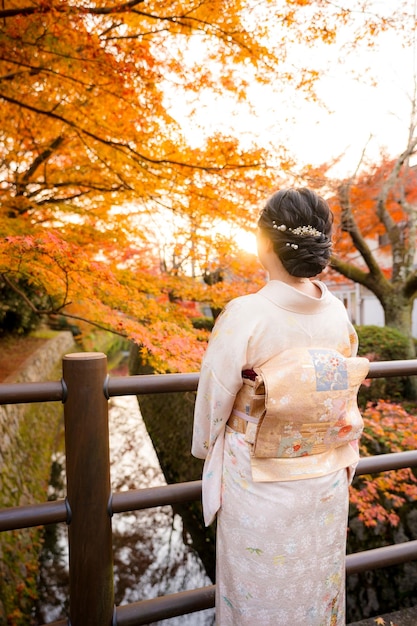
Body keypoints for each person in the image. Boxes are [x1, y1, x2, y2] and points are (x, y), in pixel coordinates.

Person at [191, 188, 369, 625]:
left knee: (257, 590)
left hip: (258, 475)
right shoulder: (338, 315)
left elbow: (215, 399)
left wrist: (204, 449)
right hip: (325, 472)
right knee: (315, 582)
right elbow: (345, 394)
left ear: (264, 243)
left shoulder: (245, 313)